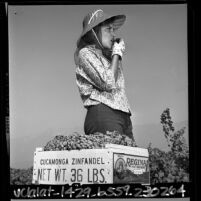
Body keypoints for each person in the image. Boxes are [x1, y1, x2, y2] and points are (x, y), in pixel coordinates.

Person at [74, 9, 134, 140]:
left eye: (114, 30)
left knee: (130, 157)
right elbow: (108, 82)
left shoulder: (110, 58)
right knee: (114, 158)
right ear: (94, 32)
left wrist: (115, 55)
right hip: (104, 113)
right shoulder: (86, 53)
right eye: (108, 29)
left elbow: (119, 90)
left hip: (123, 115)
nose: (113, 35)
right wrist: (117, 53)